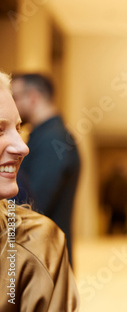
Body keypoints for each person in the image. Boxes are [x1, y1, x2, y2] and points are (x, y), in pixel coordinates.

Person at [0, 71, 79, 311]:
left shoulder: (52, 139)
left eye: (18, 127)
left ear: (33, 97)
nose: (21, 147)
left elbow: (36, 200)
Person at [11, 73, 80, 265]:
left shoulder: (53, 140)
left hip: (45, 261)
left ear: (33, 97)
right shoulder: (48, 136)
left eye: (15, 97)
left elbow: (33, 206)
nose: (11, 104)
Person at [101, 164, 127, 235]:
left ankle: (108, 243)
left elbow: (104, 195)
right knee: (125, 230)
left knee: (111, 229)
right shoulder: (126, 182)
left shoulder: (109, 181)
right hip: (123, 208)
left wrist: (104, 206)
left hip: (113, 209)